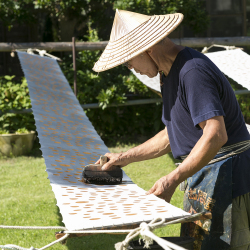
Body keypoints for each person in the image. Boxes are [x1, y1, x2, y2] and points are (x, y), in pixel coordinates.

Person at [93, 9, 250, 250]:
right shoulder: (169, 75)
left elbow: (216, 133)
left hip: (229, 181)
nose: (130, 68)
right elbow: (172, 133)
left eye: (128, 61)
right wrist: (124, 158)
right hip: (202, 179)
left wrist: (173, 178)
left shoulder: (192, 71)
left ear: (146, 48)